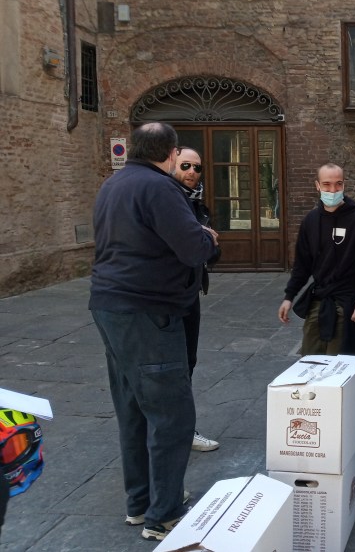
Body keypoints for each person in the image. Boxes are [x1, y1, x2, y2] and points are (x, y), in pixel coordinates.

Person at [89, 122, 219, 542]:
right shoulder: (161, 188)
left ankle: (141, 503)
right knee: (172, 414)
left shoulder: (113, 184)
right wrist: (208, 238)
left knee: (133, 409)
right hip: (148, 310)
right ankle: (163, 515)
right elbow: (193, 248)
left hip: (110, 305)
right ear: (170, 153)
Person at [277, 164, 355, 379]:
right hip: (319, 300)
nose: (332, 190)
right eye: (327, 185)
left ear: (344, 185)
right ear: (317, 186)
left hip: (348, 301)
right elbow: (302, 266)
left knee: (337, 370)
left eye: (338, 184)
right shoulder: (310, 221)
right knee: (309, 364)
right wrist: (289, 297)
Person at [172, 147, 221, 453]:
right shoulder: (168, 202)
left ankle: (184, 429)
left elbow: (212, 253)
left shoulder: (198, 205)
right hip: (168, 295)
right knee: (170, 365)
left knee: (187, 361)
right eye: (185, 165)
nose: (192, 172)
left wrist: (207, 242)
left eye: (197, 167)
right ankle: (176, 431)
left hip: (190, 292)